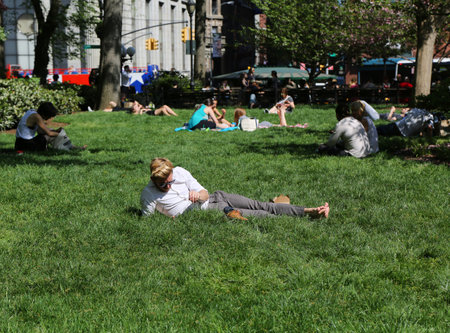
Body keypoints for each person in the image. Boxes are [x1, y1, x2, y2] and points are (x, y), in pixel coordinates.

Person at [141, 157, 329, 219]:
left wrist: (197, 194)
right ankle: (307, 215)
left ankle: (311, 210)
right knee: (262, 215)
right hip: (213, 210)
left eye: (170, 182)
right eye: (162, 185)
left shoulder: (180, 172)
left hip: (215, 197)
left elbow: (205, 194)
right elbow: (148, 220)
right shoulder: (149, 194)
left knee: (261, 205)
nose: (167, 187)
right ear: (153, 180)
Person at [15, 102, 86, 151]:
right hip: (26, 145)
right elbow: (49, 133)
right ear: (45, 113)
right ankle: (70, 147)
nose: (49, 119)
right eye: (49, 116)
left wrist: (55, 131)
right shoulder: (37, 117)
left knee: (52, 131)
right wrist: (61, 134)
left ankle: (71, 147)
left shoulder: (32, 113)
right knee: (53, 134)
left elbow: (40, 131)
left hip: (20, 143)